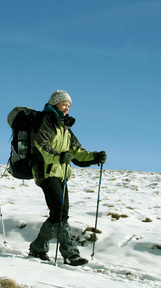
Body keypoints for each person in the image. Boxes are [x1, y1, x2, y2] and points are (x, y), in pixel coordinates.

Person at [29, 90, 107, 266]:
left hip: (61, 174)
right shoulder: (45, 121)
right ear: (55, 103)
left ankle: (38, 247)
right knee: (60, 213)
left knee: (59, 214)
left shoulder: (65, 127)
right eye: (64, 104)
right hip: (46, 172)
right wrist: (59, 157)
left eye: (69, 105)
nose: (67, 108)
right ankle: (71, 253)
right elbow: (40, 147)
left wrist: (95, 157)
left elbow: (77, 151)